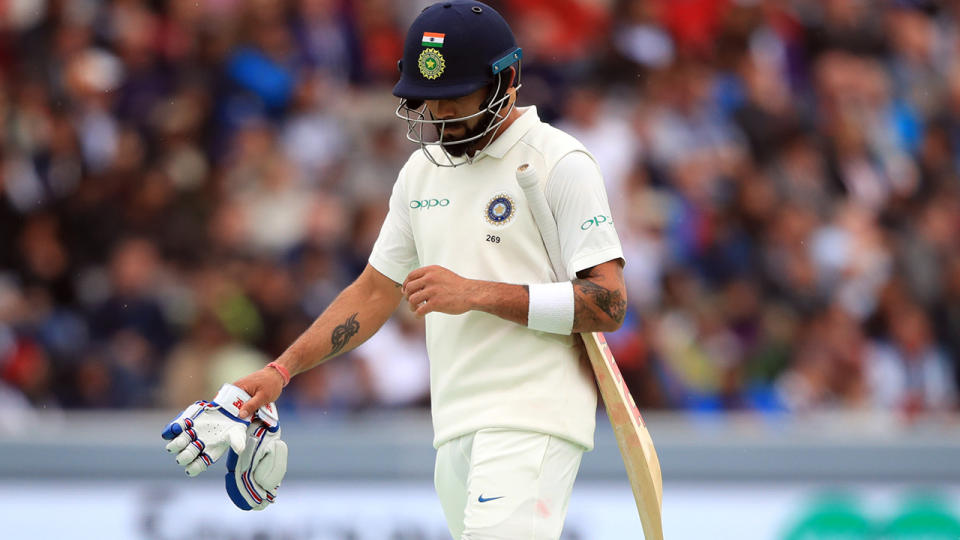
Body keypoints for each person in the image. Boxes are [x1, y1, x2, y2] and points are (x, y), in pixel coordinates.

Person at [161, 1, 626, 537]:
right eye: (429, 100)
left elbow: (608, 303)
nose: (440, 115)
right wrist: (280, 370)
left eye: (455, 98)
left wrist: (477, 293)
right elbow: (374, 292)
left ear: (508, 80)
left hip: (533, 415)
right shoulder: (421, 173)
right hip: (454, 422)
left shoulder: (560, 162)